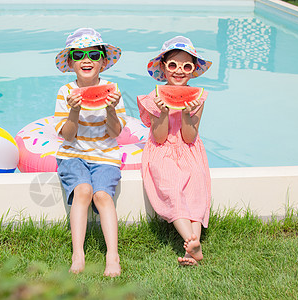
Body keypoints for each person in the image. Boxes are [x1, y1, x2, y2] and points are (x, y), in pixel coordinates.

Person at [53, 28, 125, 277]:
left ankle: (112, 256)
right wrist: (73, 110)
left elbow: (115, 133)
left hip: (105, 156)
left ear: (103, 62)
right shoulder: (65, 93)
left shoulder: (113, 91)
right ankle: (78, 253)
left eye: (94, 54)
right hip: (73, 155)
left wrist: (112, 110)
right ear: (71, 61)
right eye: (79, 54)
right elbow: (68, 136)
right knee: (83, 190)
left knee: (103, 196)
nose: (87, 59)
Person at [137, 36, 212, 266]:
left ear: (192, 71)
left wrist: (187, 113)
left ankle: (193, 249)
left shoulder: (197, 97)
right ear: (163, 68)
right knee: (171, 187)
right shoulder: (154, 98)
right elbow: (159, 137)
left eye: (186, 66)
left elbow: (189, 137)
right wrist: (162, 113)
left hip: (189, 150)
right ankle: (190, 240)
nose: (179, 70)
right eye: (173, 65)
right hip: (162, 151)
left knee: (196, 186)